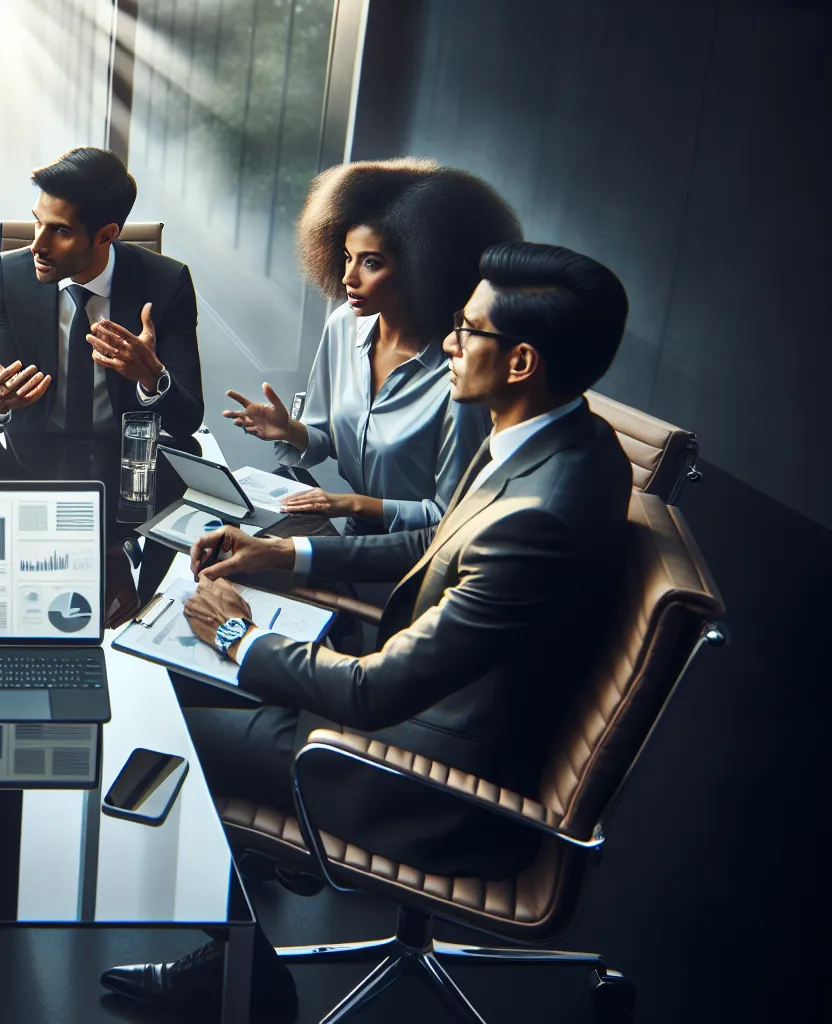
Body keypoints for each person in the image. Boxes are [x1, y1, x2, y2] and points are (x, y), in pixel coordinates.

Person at [102, 242, 634, 1013]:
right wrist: (285, 553)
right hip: (435, 714)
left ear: (521, 362)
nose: (449, 342)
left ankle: (247, 980)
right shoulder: (560, 440)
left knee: (152, 743)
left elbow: (372, 694)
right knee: (173, 682)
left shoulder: (537, 519)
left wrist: (235, 637)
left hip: (422, 781)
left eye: (468, 330)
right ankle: (249, 898)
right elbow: (442, 540)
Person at [225, 159, 518, 533]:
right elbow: (326, 439)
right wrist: (288, 430)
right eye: (348, 257)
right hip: (354, 534)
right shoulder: (342, 326)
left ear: (421, 269)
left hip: (418, 555)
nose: (348, 277)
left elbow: (451, 517)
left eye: (371, 263)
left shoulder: (460, 374)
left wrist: (353, 503)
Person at [0, 146, 203, 442]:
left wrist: (153, 377)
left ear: (106, 235)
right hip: (31, 458)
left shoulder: (167, 283)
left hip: (124, 458)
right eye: (38, 222)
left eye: (61, 231)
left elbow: (188, 421)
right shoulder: (8, 276)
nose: (37, 246)